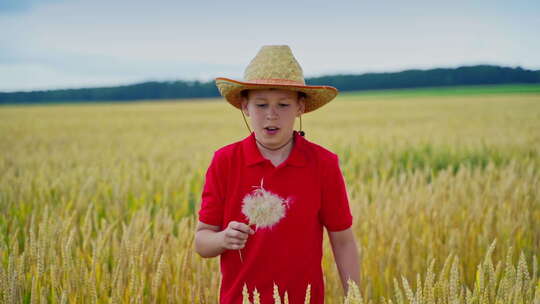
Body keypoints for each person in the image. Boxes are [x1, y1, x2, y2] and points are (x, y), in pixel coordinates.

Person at [195, 45, 360, 303]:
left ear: (300, 107)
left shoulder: (323, 164)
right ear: (245, 106)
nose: (271, 115)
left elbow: (343, 241)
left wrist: (355, 297)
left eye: (283, 104)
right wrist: (223, 239)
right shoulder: (225, 162)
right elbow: (202, 241)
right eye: (261, 105)